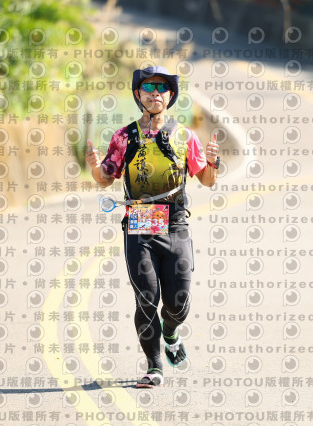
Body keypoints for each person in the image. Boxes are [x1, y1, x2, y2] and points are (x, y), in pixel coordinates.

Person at [85, 66, 220, 388]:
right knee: (146, 298)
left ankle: (170, 332)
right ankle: (154, 365)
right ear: (138, 94)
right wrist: (94, 167)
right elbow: (105, 179)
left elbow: (207, 180)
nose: (155, 93)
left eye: (162, 88)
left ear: (170, 96)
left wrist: (213, 162)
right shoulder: (124, 137)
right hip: (141, 222)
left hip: (175, 223)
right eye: (148, 88)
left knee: (178, 303)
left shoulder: (185, 137)